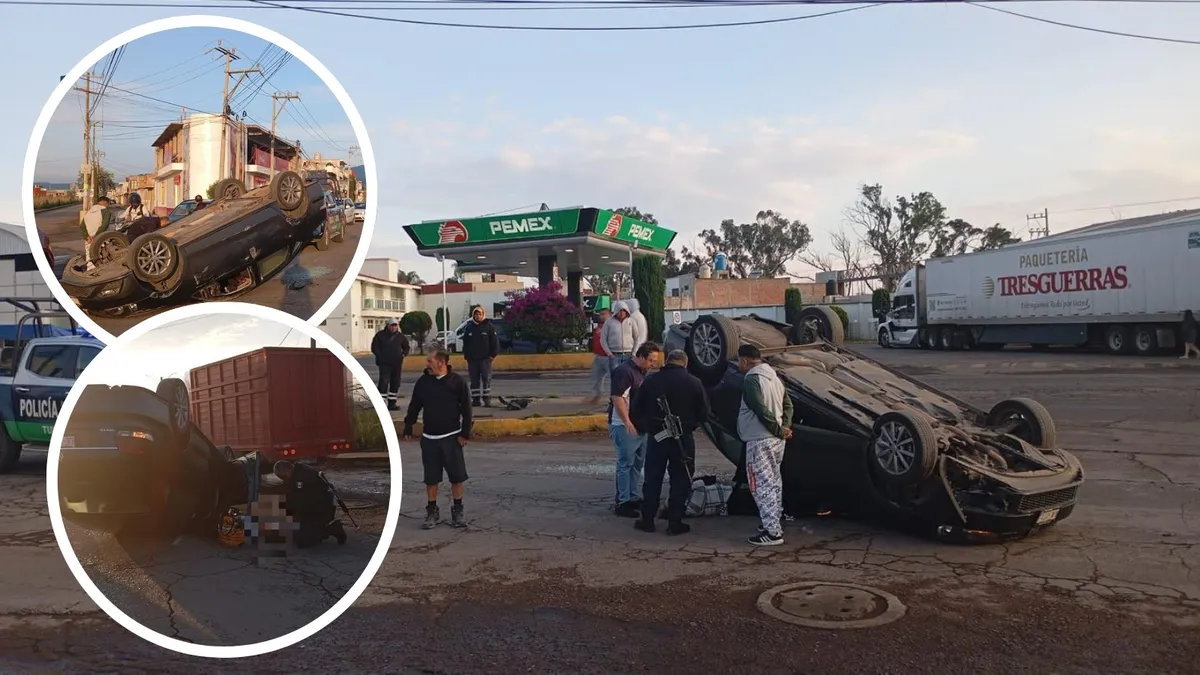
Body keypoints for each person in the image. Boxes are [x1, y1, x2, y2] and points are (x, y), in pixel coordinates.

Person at [631, 349, 710, 535]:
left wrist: (649, 427)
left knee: (653, 479)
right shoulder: (694, 382)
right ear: (686, 363)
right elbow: (705, 413)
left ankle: (648, 520)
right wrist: (689, 425)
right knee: (681, 480)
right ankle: (675, 522)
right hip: (683, 438)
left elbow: (636, 409)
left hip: (657, 438)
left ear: (666, 361)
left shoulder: (651, 380)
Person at [402, 349, 473, 530]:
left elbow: (467, 409)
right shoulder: (423, 382)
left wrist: (465, 433)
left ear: (441, 362)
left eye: (430, 361)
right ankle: (432, 511)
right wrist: (409, 424)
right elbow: (415, 405)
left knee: (456, 477)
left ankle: (458, 510)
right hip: (429, 438)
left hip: (451, 437)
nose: (427, 365)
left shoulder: (457, 382)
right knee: (431, 478)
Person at [736, 344, 794, 547]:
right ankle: (772, 521)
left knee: (760, 484)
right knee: (774, 482)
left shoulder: (751, 379)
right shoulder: (775, 378)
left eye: (738, 361)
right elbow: (788, 405)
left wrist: (778, 429)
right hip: (777, 441)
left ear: (744, 360)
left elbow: (759, 408)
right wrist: (785, 427)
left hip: (760, 439)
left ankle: (772, 532)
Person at [608, 341, 662, 518]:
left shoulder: (642, 372)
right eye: (651, 360)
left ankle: (632, 496)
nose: (653, 364)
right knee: (625, 463)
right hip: (625, 425)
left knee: (637, 463)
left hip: (639, 425)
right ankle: (622, 501)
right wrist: (627, 422)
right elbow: (617, 398)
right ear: (641, 357)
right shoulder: (624, 372)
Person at [272, 461, 348, 548]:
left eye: (283, 477)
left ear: (288, 470)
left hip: (320, 510)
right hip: (321, 506)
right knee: (294, 532)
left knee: (301, 540)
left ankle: (332, 529)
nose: (284, 480)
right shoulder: (300, 469)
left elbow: (299, 502)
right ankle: (317, 530)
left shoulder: (300, 480)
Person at [460, 306, 500, 407]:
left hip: (485, 359)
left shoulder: (489, 326)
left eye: (479, 314)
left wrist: (493, 355)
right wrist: (466, 355)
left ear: (483, 315)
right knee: (474, 380)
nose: (478, 316)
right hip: (472, 360)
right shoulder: (469, 327)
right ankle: (476, 400)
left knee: (486, 379)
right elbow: (465, 343)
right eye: (476, 314)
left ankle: (487, 400)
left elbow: (495, 342)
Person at [371, 319, 410, 411]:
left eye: (395, 325)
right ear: (388, 326)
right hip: (384, 364)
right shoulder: (380, 335)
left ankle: (392, 403)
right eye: (392, 325)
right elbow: (374, 347)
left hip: (397, 364)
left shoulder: (400, 336)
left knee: (395, 383)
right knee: (384, 382)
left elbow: (406, 347)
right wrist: (381, 356)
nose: (394, 327)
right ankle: (381, 404)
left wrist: (403, 354)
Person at [602, 301, 641, 374]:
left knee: (628, 376)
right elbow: (603, 339)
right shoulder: (609, 322)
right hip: (614, 355)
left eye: (624, 310)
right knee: (616, 377)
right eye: (620, 310)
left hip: (629, 355)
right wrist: (609, 354)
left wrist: (634, 353)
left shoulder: (631, 321)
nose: (622, 313)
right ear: (616, 311)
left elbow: (637, 338)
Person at [587, 308, 613, 404]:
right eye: (600, 314)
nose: (601, 316)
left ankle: (614, 398)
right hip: (598, 356)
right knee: (596, 377)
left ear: (609, 315)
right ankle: (597, 395)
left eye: (603, 314)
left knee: (614, 378)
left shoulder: (612, 326)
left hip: (608, 357)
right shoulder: (599, 326)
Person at [78, 196, 112, 268]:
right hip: (101, 239)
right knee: (103, 258)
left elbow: (82, 226)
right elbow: (104, 225)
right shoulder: (106, 211)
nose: (108, 206)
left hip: (89, 240)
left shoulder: (88, 213)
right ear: (106, 203)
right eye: (108, 204)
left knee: (90, 259)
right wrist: (96, 237)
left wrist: (87, 237)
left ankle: (90, 272)